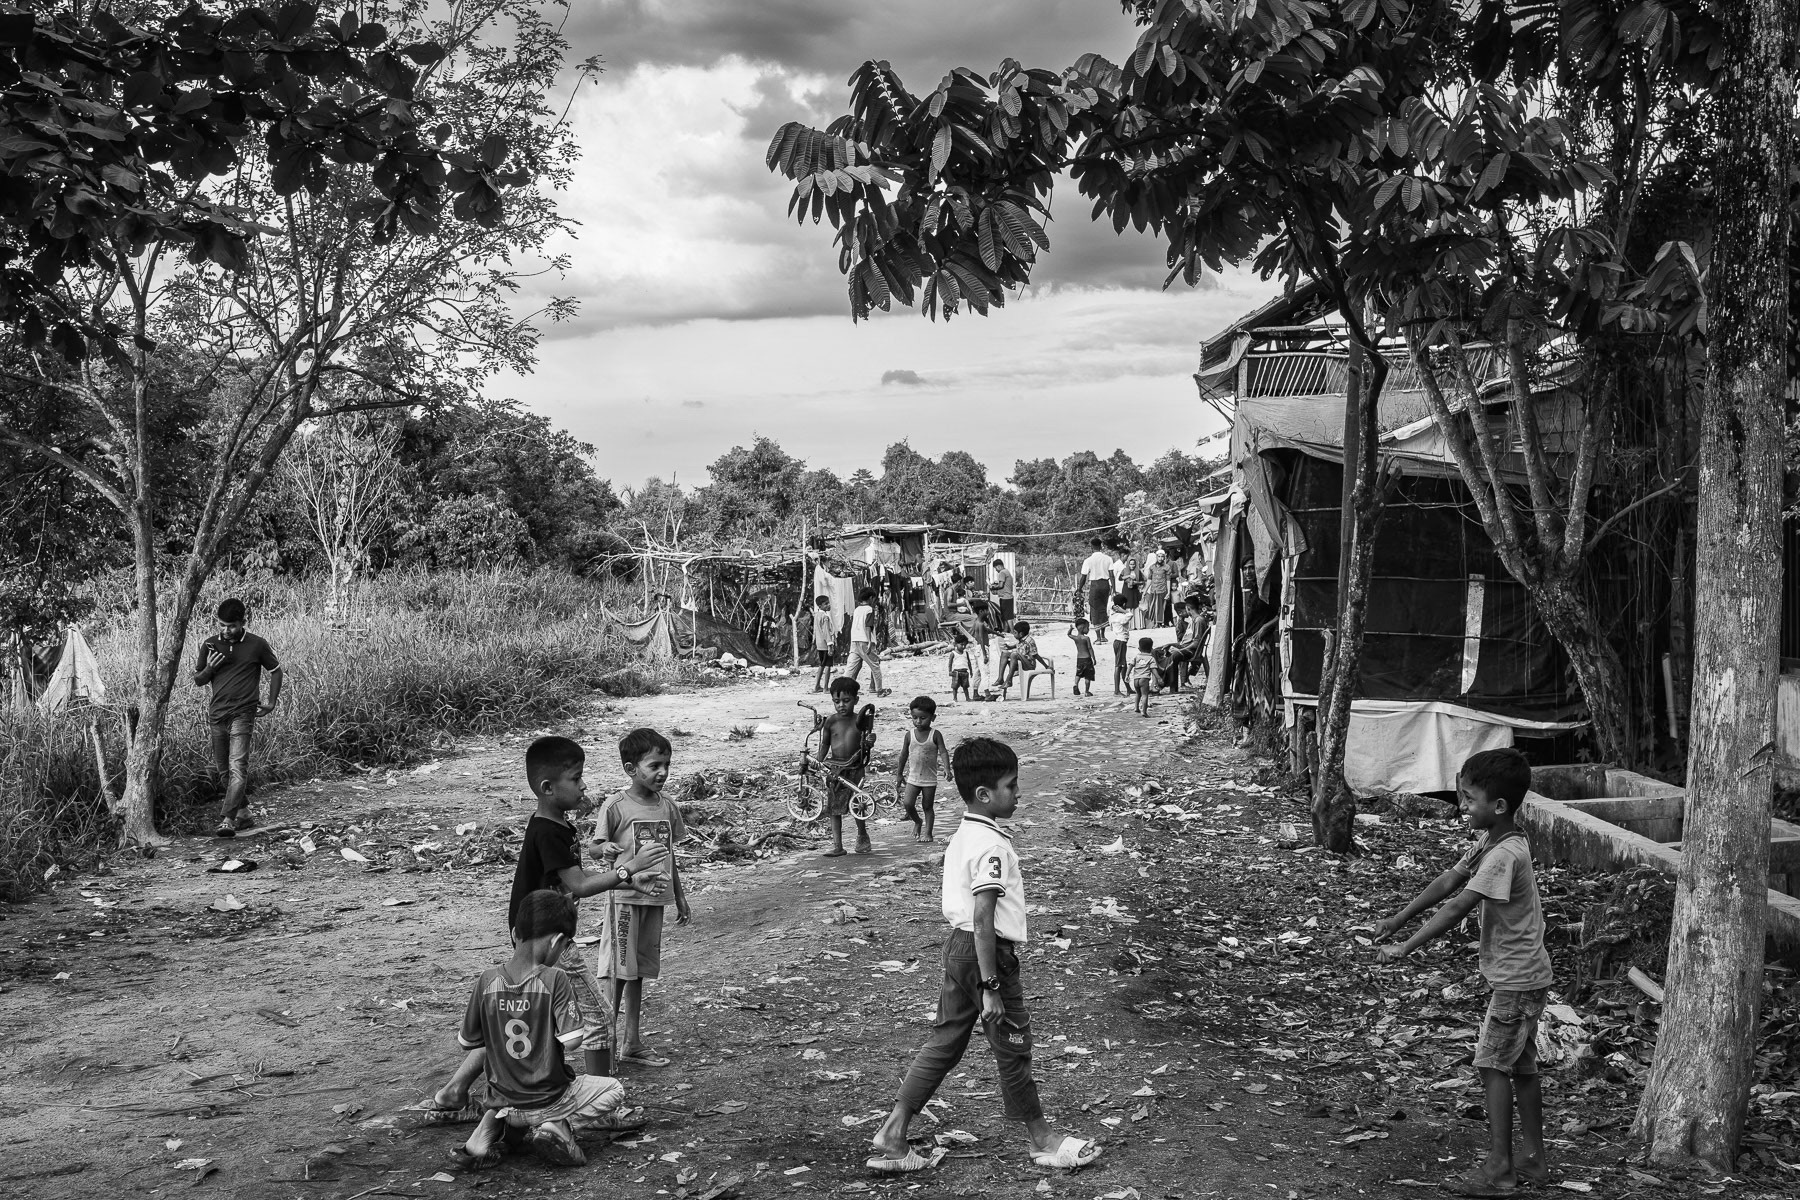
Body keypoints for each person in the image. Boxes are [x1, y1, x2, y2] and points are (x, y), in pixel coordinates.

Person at [864, 737, 1102, 1175]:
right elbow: (984, 914)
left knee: (945, 1041)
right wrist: (991, 985)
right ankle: (1042, 1140)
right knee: (1012, 1046)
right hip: (985, 954)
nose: (1018, 793)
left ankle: (893, 1134)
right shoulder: (992, 846)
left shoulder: (964, 836)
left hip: (958, 949)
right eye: (1012, 785)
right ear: (984, 794)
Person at [423, 737, 666, 1124]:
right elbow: (581, 887)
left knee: (521, 1016)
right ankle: (595, 1112)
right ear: (547, 788)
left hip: (531, 930)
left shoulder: (554, 825)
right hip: (548, 938)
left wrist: (625, 884)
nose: (584, 785)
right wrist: (628, 867)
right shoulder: (549, 832)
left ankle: (454, 1090)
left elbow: (578, 878)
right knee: (599, 1017)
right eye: (577, 778)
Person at [1374, 749, 1554, 1197]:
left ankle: (1499, 1171)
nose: (1461, 806)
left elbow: (1458, 906)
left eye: (1469, 799)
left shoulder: (1502, 854)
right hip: (1527, 974)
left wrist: (1406, 946)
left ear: (1498, 806)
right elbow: (1447, 882)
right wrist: (1398, 918)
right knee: (1524, 1069)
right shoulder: (1496, 839)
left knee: (1492, 1066)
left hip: (1515, 980)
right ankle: (1533, 1160)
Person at [450, 890, 640, 1170]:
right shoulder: (555, 978)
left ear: (515, 933)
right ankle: (555, 1125)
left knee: (505, 1095)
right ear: (557, 941)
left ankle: (488, 1131)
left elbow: (467, 1041)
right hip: (548, 1098)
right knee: (613, 1089)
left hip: (503, 1099)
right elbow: (573, 1040)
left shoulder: (486, 981)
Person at [595, 728, 691, 1070]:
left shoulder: (667, 806)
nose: (662, 772)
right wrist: (604, 848)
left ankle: (631, 1042)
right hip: (624, 900)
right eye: (654, 765)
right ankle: (603, 1044)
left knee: (637, 974)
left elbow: (670, 856)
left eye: (666, 764)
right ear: (631, 768)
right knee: (617, 974)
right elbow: (595, 846)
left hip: (656, 901)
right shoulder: (616, 806)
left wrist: (679, 896)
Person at [192, 597, 283, 837]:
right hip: (217, 714)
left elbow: (275, 671)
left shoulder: (257, 645)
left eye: (231, 625)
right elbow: (198, 680)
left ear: (243, 622)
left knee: (237, 766)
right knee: (223, 770)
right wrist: (210, 667)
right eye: (221, 625)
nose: (226, 630)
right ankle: (244, 813)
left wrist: (271, 702)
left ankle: (227, 819)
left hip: (244, 712)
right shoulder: (209, 645)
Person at [817, 676, 877, 857]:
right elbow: (825, 744)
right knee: (834, 807)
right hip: (835, 769)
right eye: (837, 701)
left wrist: (870, 742)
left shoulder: (860, 721)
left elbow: (866, 743)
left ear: (856, 700)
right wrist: (819, 762)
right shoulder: (831, 722)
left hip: (855, 767)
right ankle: (838, 846)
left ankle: (862, 834)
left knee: (857, 804)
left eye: (846, 701)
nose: (841, 705)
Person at [897, 696, 951, 842]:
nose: (918, 721)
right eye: (914, 717)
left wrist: (947, 768)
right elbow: (903, 755)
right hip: (913, 777)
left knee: (927, 806)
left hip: (929, 779)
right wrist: (899, 774)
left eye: (923, 718)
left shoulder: (935, 734)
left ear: (933, 717)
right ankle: (917, 821)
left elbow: (943, 751)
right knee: (908, 803)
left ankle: (928, 833)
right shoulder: (909, 735)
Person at [1158, 595, 1211, 692]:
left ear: (1188, 608)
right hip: (1184, 646)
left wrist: (1180, 650)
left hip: (1191, 650)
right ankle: (1158, 682)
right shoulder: (1193, 620)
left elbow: (1196, 643)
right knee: (1157, 651)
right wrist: (1171, 644)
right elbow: (1184, 641)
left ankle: (1172, 687)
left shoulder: (1199, 621)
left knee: (1174, 655)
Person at [846, 588, 889, 697]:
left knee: (851, 667)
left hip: (854, 640)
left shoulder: (857, 610)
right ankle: (879, 690)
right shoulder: (869, 609)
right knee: (875, 666)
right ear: (871, 598)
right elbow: (868, 626)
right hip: (865, 640)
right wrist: (870, 641)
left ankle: (843, 688)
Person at [997, 621, 1048, 692]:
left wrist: (1046, 666)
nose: (1013, 634)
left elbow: (1035, 655)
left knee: (1014, 654)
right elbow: (1017, 645)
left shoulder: (1030, 641)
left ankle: (1009, 679)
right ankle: (1000, 678)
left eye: (1015, 633)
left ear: (1021, 634)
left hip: (1029, 665)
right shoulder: (1020, 639)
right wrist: (1009, 647)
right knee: (1005, 653)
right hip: (1020, 663)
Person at [1077, 538, 1113, 629]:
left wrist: (1079, 588)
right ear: (1101, 546)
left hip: (1095, 585)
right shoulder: (1108, 559)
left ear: (1091, 547)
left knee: (1095, 609)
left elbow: (1084, 576)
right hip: (1105, 584)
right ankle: (1103, 635)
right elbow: (1112, 575)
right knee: (1103, 608)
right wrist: (1114, 589)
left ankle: (1098, 637)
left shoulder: (1088, 560)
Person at [1105, 595, 1133, 696]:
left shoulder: (1113, 615)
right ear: (1124, 604)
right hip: (1121, 642)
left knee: (1123, 665)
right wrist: (1123, 610)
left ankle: (1128, 688)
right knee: (1119, 666)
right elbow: (1130, 615)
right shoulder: (1121, 616)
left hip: (1118, 641)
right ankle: (1116, 690)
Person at [810, 594, 838, 693]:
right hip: (826, 644)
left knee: (822, 665)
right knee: (828, 666)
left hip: (819, 643)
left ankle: (817, 686)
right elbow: (826, 631)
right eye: (826, 604)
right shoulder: (825, 617)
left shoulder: (817, 615)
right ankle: (825, 688)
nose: (828, 605)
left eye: (828, 603)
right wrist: (830, 645)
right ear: (820, 606)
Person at [946, 633, 980, 702]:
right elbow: (950, 663)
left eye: (965, 645)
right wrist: (949, 671)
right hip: (956, 672)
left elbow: (969, 662)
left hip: (965, 672)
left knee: (965, 686)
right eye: (961, 644)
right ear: (956, 644)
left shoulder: (966, 653)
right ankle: (955, 698)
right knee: (955, 686)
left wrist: (971, 671)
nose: (963, 646)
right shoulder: (953, 653)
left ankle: (967, 698)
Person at [1129, 636, 1157, 717]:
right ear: (1151, 648)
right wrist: (1158, 678)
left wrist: (1127, 675)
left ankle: (1136, 708)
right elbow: (1153, 669)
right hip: (1144, 679)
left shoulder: (1136, 657)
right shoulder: (1151, 658)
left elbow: (1131, 665)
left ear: (1139, 648)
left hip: (1136, 679)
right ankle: (1144, 711)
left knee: (1138, 694)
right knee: (1145, 695)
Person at [1144, 549, 1172, 627]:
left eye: (1162, 557)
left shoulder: (1167, 567)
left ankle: (1159, 623)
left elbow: (1168, 580)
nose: (1160, 558)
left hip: (1162, 589)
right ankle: (1154, 622)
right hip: (1153, 589)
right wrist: (1145, 591)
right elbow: (1149, 579)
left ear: (1164, 557)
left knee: (1160, 607)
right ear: (1156, 557)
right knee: (1152, 606)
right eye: (1159, 556)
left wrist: (1168, 592)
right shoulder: (1152, 567)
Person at [1068, 619, 1096, 698]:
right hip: (1087, 659)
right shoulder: (1086, 638)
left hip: (1079, 659)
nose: (1088, 629)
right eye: (1087, 628)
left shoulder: (1076, 638)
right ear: (1083, 628)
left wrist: (1071, 628)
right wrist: (1093, 658)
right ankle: (1087, 691)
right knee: (1088, 676)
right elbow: (1090, 648)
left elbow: (1068, 634)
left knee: (1078, 673)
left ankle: (1075, 684)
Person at [988, 557, 1016, 628]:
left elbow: (1001, 585)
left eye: (995, 568)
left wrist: (993, 587)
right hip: (1007, 596)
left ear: (999, 566)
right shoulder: (1007, 571)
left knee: (1008, 617)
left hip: (1005, 597)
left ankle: (1012, 631)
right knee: (1005, 616)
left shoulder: (1002, 572)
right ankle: (1006, 631)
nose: (996, 570)